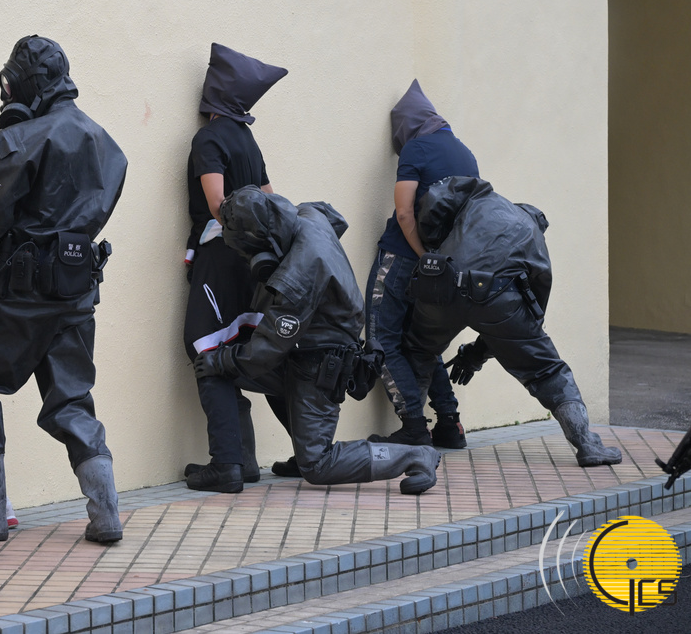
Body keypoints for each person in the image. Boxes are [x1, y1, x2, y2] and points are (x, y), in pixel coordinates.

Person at [0, 35, 128, 544]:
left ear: (23, 85)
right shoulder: (107, 143)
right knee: (71, 399)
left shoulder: (23, 139)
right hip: (77, 286)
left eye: (7, 84)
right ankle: (107, 514)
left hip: (23, 291)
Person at [193, 187, 441, 495]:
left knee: (318, 464)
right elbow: (335, 218)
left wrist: (221, 359)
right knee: (225, 367)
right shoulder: (307, 215)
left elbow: (266, 350)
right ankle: (238, 462)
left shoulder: (299, 276)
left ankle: (415, 455)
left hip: (320, 362)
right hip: (307, 350)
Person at [401, 175, 623, 468]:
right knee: (547, 370)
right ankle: (586, 444)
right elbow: (531, 317)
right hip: (497, 298)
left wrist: (434, 245)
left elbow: (438, 199)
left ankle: (414, 435)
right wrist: (479, 353)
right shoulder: (533, 235)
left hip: (441, 284)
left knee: (418, 351)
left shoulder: (482, 199)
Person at [181, 43, 288, 493]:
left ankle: (226, 463)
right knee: (243, 345)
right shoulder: (248, 139)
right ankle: (249, 459)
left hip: (221, 256)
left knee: (205, 346)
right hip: (253, 261)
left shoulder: (209, 138)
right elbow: (271, 200)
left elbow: (217, 203)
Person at [364, 80, 475, 449]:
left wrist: (420, 252)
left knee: (381, 337)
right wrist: (436, 258)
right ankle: (449, 423)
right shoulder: (466, 154)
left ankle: (413, 424)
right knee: (423, 342)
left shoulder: (416, 148)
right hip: (442, 268)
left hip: (401, 256)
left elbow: (404, 212)